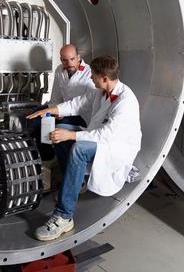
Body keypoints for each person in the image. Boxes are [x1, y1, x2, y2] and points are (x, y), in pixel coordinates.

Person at [25, 56, 141, 241]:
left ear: (104, 78)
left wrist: (71, 135)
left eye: (93, 75)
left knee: (78, 149)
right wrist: (47, 111)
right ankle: (76, 184)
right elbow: (76, 104)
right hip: (97, 136)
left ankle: (64, 216)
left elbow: (105, 135)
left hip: (114, 148)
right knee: (58, 132)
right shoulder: (100, 91)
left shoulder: (126, 101)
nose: (91, 78)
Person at [47, 44, 94, 128]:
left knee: (56, 127)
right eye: (65, 60)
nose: (69, 64)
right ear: (61, 60)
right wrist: (54, 111)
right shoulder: (59, 70)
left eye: (72, 59)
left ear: (78, 57)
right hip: (62, 111)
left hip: (82, 116)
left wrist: (61, 111)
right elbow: (56, 96)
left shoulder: (90, 73)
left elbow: (88, 104)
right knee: (36, 120)